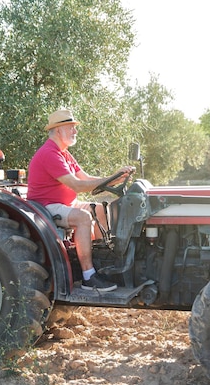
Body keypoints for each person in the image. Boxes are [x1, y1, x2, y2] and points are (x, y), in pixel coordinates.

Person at [27, 109, 134, 292]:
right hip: (46, 207)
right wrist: (113, 177)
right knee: (84, 217)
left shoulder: (64, 153)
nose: (75, 132)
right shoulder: (49, 153)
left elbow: (84, 177)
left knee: (101, 210)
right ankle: (88, 276)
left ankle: (103, 264)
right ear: (59, 130)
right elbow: (77, 185)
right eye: (71, 128)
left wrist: (115, 177)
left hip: (65, 204)